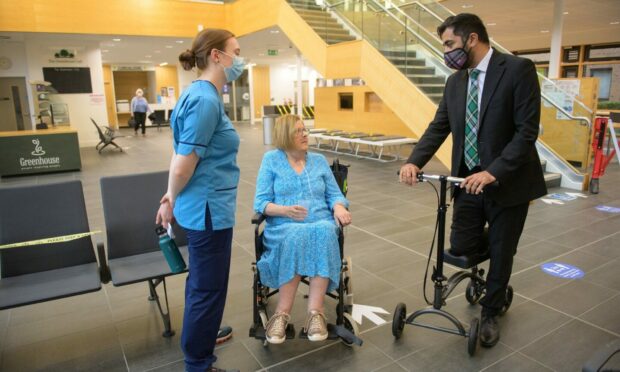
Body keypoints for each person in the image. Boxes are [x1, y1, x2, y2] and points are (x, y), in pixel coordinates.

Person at [399, 13, 546, 348]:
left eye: (449, 44)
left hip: (507, 181)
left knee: (502, 250)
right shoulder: (456, 82)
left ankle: (492, 310)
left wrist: (493, 171)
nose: (446, 51)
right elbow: (439, 126)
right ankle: (495, 245)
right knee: (461, 247)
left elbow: (527, 132)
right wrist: (413, 161)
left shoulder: (517, 70)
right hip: (466, 180)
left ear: (472, 39)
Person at [155, 28, 246, 372]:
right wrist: (171, 196)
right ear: (216, 56)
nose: (240, 58)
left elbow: (179, 155)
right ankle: (198, 361)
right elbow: (184, 163)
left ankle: (203, 336)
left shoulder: (197, 94)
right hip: (208, 210)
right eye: (235, 51)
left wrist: (169, 198)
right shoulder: (206, 100)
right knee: (207, 289)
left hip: (202, 205)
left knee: (203, 286)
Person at [253, 114, 352, 344]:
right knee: (297, 234)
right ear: (285, 135)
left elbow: (334, 194)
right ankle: (282, 314)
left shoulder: (318, 161)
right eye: (298, 131)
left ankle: (315, 313)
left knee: (325, 231)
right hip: (284, 225)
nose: (305, 134)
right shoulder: (271, 160)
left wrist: (338, 207)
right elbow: (261, 203)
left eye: (305, 130)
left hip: (318, 222)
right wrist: (285, 210)